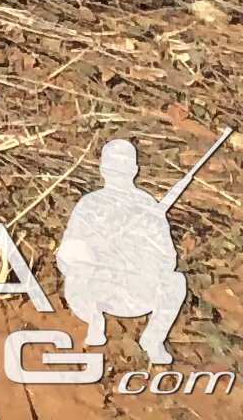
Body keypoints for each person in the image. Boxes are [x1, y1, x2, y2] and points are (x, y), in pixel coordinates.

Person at [57, 139, 189, 365]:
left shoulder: (147, 206)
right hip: (96, 287)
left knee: (175, 281)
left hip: (134, 291)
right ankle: (94, 320)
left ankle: (153, 339)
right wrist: (96, 254)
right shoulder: (90, 203)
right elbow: (68, 252)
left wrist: (139, 252)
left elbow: (168, 259)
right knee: (75, 263)